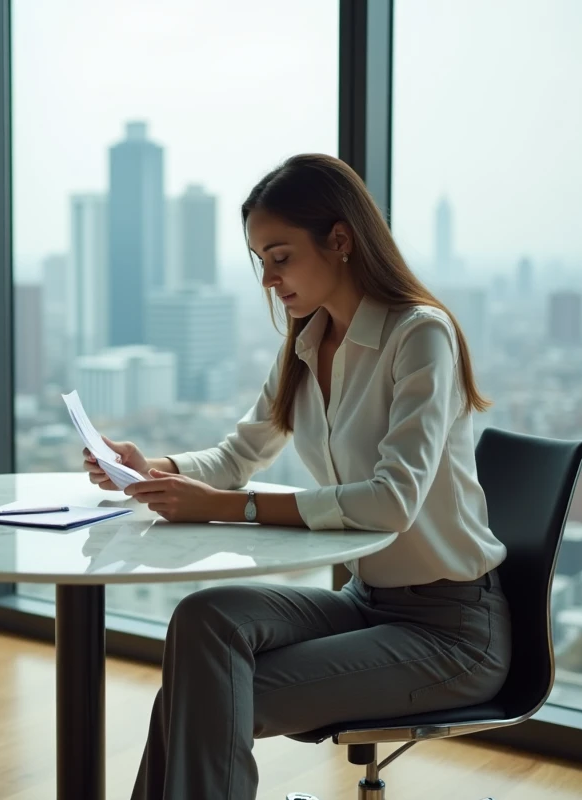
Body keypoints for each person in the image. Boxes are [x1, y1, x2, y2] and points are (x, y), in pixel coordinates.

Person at [82, 154, 510, 800]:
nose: (268, 279)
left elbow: (391, 503)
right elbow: (237, 457)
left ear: (339, 240)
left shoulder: (420, 335)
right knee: (205, 616)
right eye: (261, 261)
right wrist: (154, 470)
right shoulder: (307, 342)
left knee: (202, 699)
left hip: (452, 633)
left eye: (280, 257)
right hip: (367, 603)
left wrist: (225, 507)